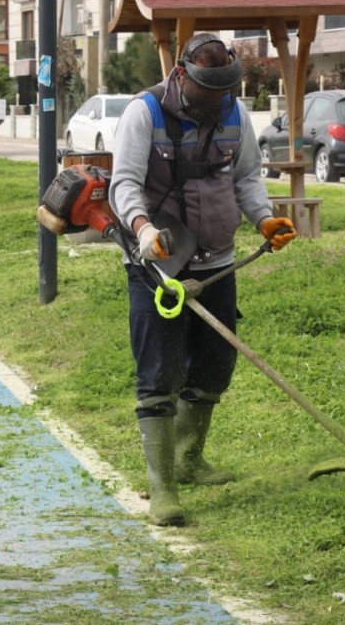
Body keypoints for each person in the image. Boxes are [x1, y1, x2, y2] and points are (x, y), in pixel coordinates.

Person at [108, 32, 296, 527]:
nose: (217, 99)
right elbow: (124, 183)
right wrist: (143, 230)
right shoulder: (144, 112)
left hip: (218, 262)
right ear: (181, 75)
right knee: (160, 373)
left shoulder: (234, 114)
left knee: (215, 366)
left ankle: (189, 459)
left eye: (224, 90)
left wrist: (264, 219)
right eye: (208, 90)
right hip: (158, 264)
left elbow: (246, 177)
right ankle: (163, 488)